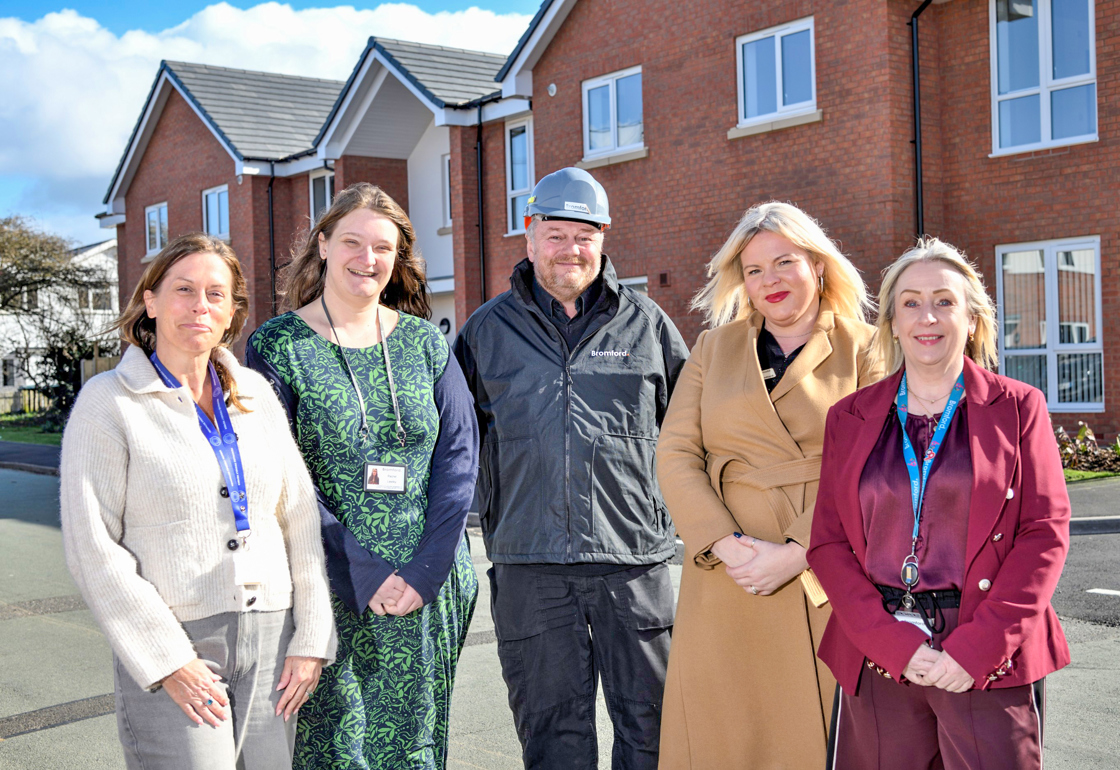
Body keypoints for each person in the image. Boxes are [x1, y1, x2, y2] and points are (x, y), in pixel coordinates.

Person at [60, 233, 336, 770]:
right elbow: (93, 548)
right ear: (151, 300)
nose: (199, 306)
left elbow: (299, 520)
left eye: (216, 293)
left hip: (273, 640)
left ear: (233, 310)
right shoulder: (108, 404)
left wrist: (311, 637)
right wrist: (168, 660)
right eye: (183, 289)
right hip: (179, 642)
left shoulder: (256, 393)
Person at [453, 166, 690, 769]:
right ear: (529, 238)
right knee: (552, 736)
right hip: (530, 566)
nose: (570, 249)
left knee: (652, 730)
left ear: (604, 238)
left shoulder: (648, 327)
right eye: (555, 234)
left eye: (583, 235)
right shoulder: (486, 332)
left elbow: (692, 432)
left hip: (634, 564)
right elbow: (451, 444)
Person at [808, 237, 1071, 769]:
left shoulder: (1020, 408)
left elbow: (1044, 535)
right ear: (892, 322)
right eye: (910, 302)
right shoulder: (849, 417)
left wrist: (974, 652)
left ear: (972, 318)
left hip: (986, 658)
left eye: (944, 301)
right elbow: (829, 545)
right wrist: (894, 646)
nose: (927, 316)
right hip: (880, 653)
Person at [246, 183, 479, 770]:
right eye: (352, 241)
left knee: (416, 749)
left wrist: (426, 570)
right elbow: (280, 474)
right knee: (337, 748)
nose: (367, 259)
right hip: (328, 586)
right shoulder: (278, 345)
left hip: (427, 588)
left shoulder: (427, 343)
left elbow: (458, 460)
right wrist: (363, 569)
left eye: (383, 247)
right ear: (322, 244)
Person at [654, 201, 881, 768]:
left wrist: (801, 553)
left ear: (819, 266)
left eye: (784, 262)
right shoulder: (712, 348)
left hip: (827, 573)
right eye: (754, 271)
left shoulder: (869, 347)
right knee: (723, 736)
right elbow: (676, 452)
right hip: (726, 574)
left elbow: (880, 462)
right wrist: (724, 544)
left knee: (819, 737)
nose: (769, 281)